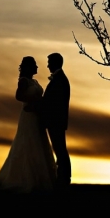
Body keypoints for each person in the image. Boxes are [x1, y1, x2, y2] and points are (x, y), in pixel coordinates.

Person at [0, 56, 58, 192]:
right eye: (35, 65)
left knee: (39, 143)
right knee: (29, 142)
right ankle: (27, 180)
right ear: (29, 67)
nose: (37, 67)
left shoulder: (34, 81)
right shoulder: (24, 81)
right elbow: (18, 96)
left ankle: (40, 178)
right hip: (29, 116)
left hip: (37, 116)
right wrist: (32, 102)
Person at [42, 52, 72, 188]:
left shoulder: (59, 80)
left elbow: (54, 103)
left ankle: (64, 178)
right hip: (56, 121)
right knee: (60, 150)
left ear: (55, 63)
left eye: (49, 62)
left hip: (56, 122)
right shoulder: (59, 79)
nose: (47, 65)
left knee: (60, 150)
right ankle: (63, 177)